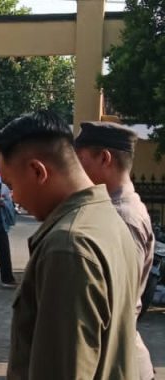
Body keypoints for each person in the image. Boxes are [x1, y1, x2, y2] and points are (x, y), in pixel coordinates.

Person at [0, 111, 139, 379]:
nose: (14, 196)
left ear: (38, 171)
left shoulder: (68, 245)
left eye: (12, 184)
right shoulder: (106, 218)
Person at [75, 121, 155, 380]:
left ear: (105, 159)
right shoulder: (116, 208)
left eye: (81, 159)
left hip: (116, 362)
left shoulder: (121, 217)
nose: (76, 168)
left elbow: (117, 303)